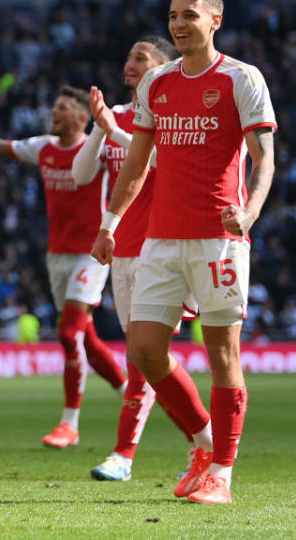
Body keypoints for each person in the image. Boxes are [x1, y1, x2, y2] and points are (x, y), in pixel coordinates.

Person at [91, 0, 277, 504]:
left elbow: (264, 161)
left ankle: (222, 471)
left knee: (221, 353)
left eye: (190, 15)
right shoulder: (157, 83)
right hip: (161, 238)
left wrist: (251, 211)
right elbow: (137, 163)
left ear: (215, 20)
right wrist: (110, 222)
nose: (178, 24)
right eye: (173, 16)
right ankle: (202, 443)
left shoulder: (242, 79)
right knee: (145, 351)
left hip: (219, 238)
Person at [0, 86, 128, 449]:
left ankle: (69, 423)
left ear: (82, 117)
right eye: (53, 106)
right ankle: (132, 394)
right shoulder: (43, 147)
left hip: (92, 252)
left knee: (69, 334)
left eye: (62, 107)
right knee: (86, 338)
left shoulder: (98, 149)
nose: (53, 112)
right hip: (56, 256)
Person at [72, 37, 197, 481]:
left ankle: (124, 454)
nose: (130, 64)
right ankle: (201, 443)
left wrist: (113, 132)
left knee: (144, 356)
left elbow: (163, 162)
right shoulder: (117, 118)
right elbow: (80, 175)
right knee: (145, 357)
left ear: (163, 69)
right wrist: (98, 130)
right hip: (120, 252)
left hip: (161, 247)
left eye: (140, 58)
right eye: (128, 57)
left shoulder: (174, 118)